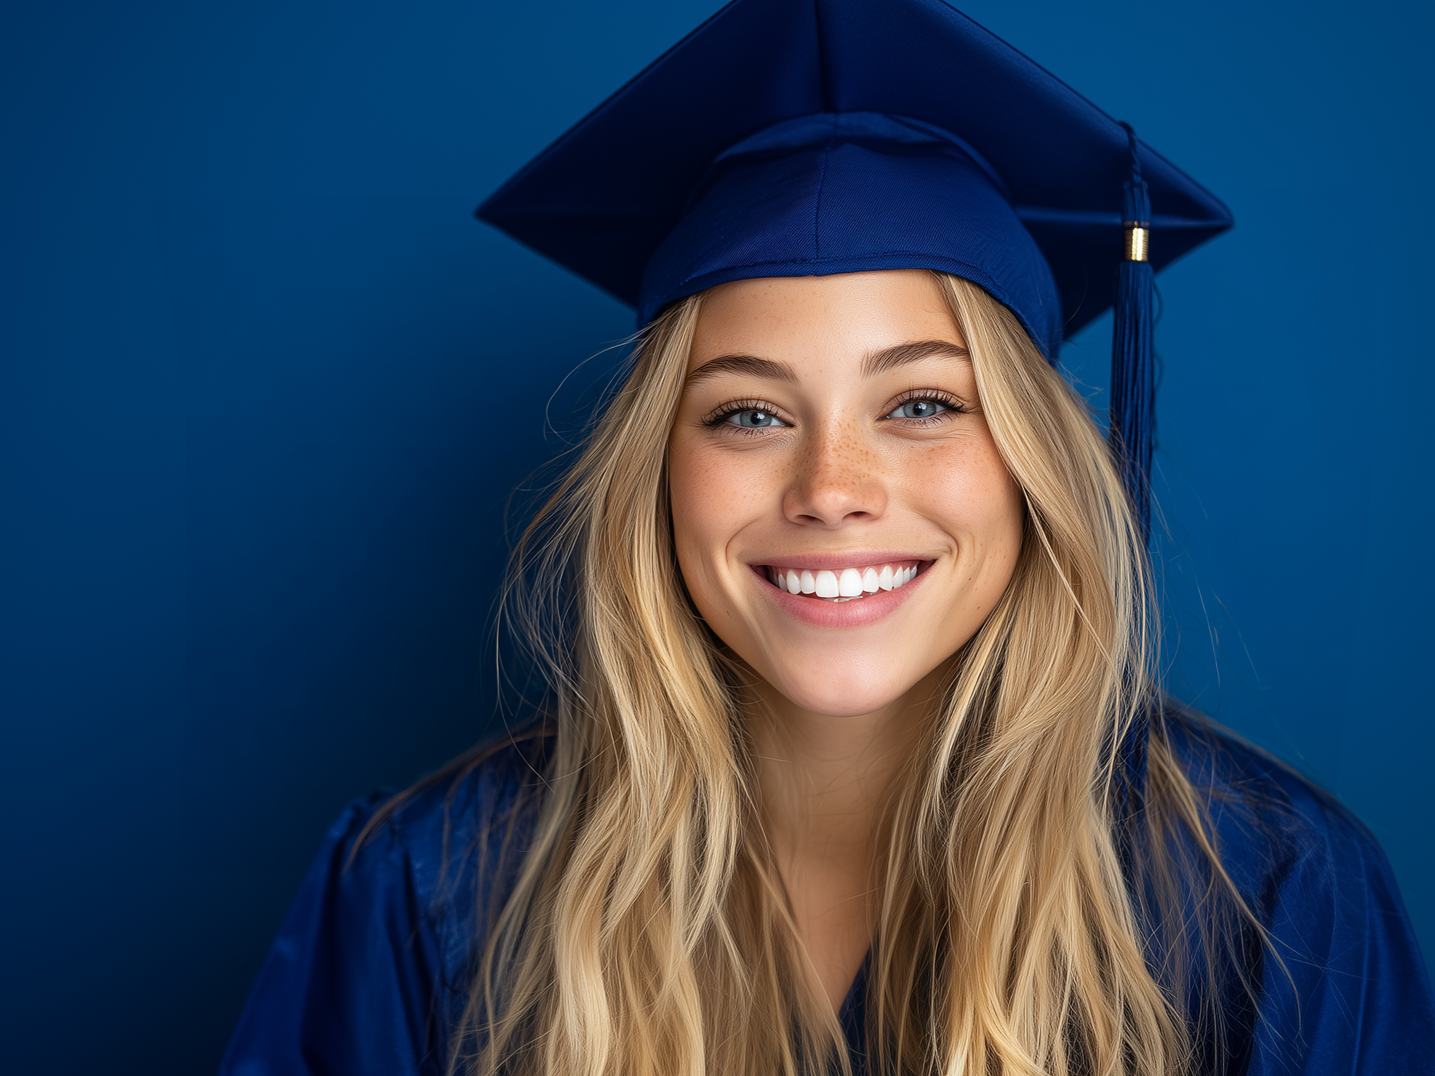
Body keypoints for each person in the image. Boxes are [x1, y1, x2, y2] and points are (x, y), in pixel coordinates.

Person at [219, 1, 1435, 1073]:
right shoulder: (433, 889)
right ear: (657, 471)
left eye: (920, 404)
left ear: (1032, 463)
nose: (830, 487)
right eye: (747, 412)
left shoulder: (1262, 895)